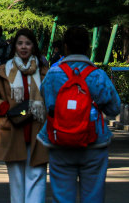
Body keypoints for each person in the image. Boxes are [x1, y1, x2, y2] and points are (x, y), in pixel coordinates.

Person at [39, 26, 121, 203]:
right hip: (94, 141)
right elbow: (114, 109)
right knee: (93, 195)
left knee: (62, 196)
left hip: (59, 140)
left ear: (65, 47)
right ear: (88, 47)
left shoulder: (53, 74)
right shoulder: (98, 75)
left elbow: (46, 103)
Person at [0, 28, 49, 203]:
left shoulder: (45, 71)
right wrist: (2, 107)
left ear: (33, 46)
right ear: (14, 46)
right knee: (17, 181)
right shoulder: (3, 71)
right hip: (12, 130)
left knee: (37, 176)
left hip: (38, 130)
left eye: (28, 43)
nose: (23, 47)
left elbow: (52, 97)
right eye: (20, 43)